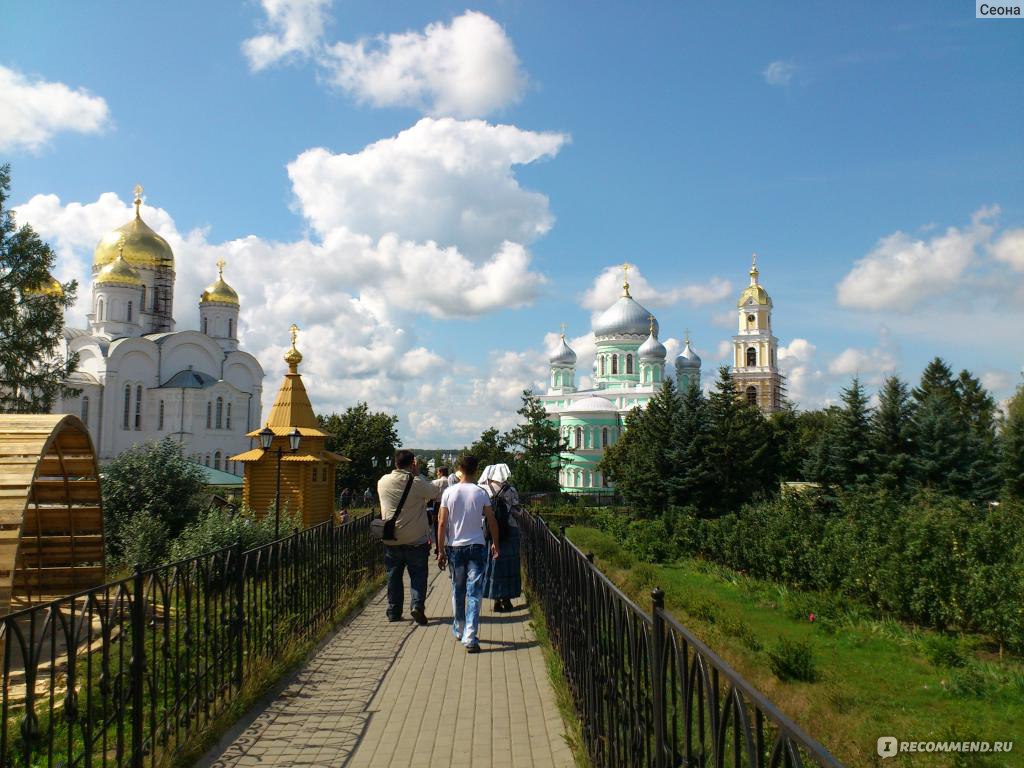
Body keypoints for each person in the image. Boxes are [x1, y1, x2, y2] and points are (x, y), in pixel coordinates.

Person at [436, 455, 499, 653]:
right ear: (475, 469)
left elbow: (442, 523)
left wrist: (440, 549)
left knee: (458, 588)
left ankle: (459, 627)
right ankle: (470, 636)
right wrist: (496, 543)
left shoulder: (449, 492)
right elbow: (492, 519)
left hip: (455, 547)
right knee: (475, 591)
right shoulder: (481, 493)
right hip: (477, 545)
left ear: (460, 469)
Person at [377, 450, 442, 625]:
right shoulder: (416, 482)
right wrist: (418, 473)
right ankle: (417, 606)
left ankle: (393, 611)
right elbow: (434, 492)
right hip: (416, 540)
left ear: (395, 463)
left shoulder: (382, 481)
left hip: (391, 538)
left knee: (394, 576)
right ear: (412, 463)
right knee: (418, 574)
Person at [479, 464, 522, 613]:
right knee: (509, 565)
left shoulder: (484, 490)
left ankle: (496, 598)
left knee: (493, 564)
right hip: (510, 530)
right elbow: (517, 511)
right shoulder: (511, 490)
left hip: (490, 532)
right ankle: (507, 599)